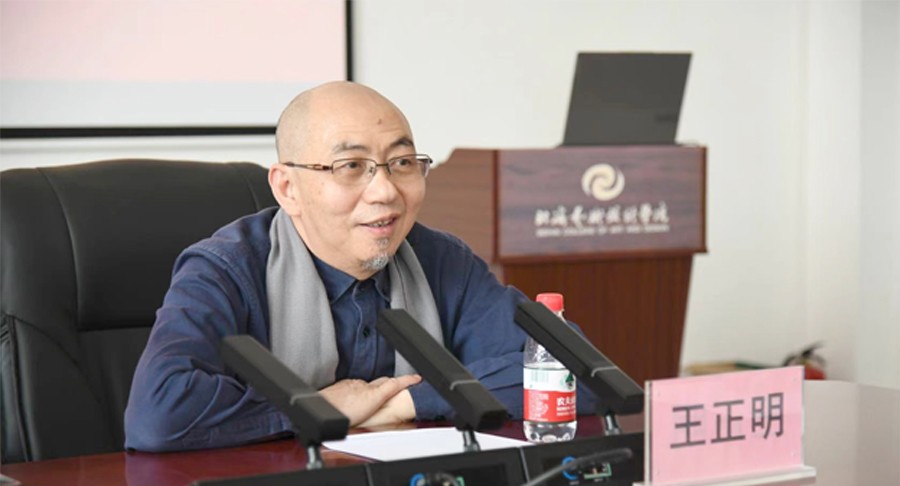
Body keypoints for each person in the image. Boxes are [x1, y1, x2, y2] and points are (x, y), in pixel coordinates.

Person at [124, 82, 596, 452]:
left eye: (402, 162)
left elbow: (576, 371)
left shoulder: (442, 261)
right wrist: (319, 409)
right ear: (287, 188)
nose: (386, 191)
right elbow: (159, 414)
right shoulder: (227, 270)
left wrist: (405, 403)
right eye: (351, 166)